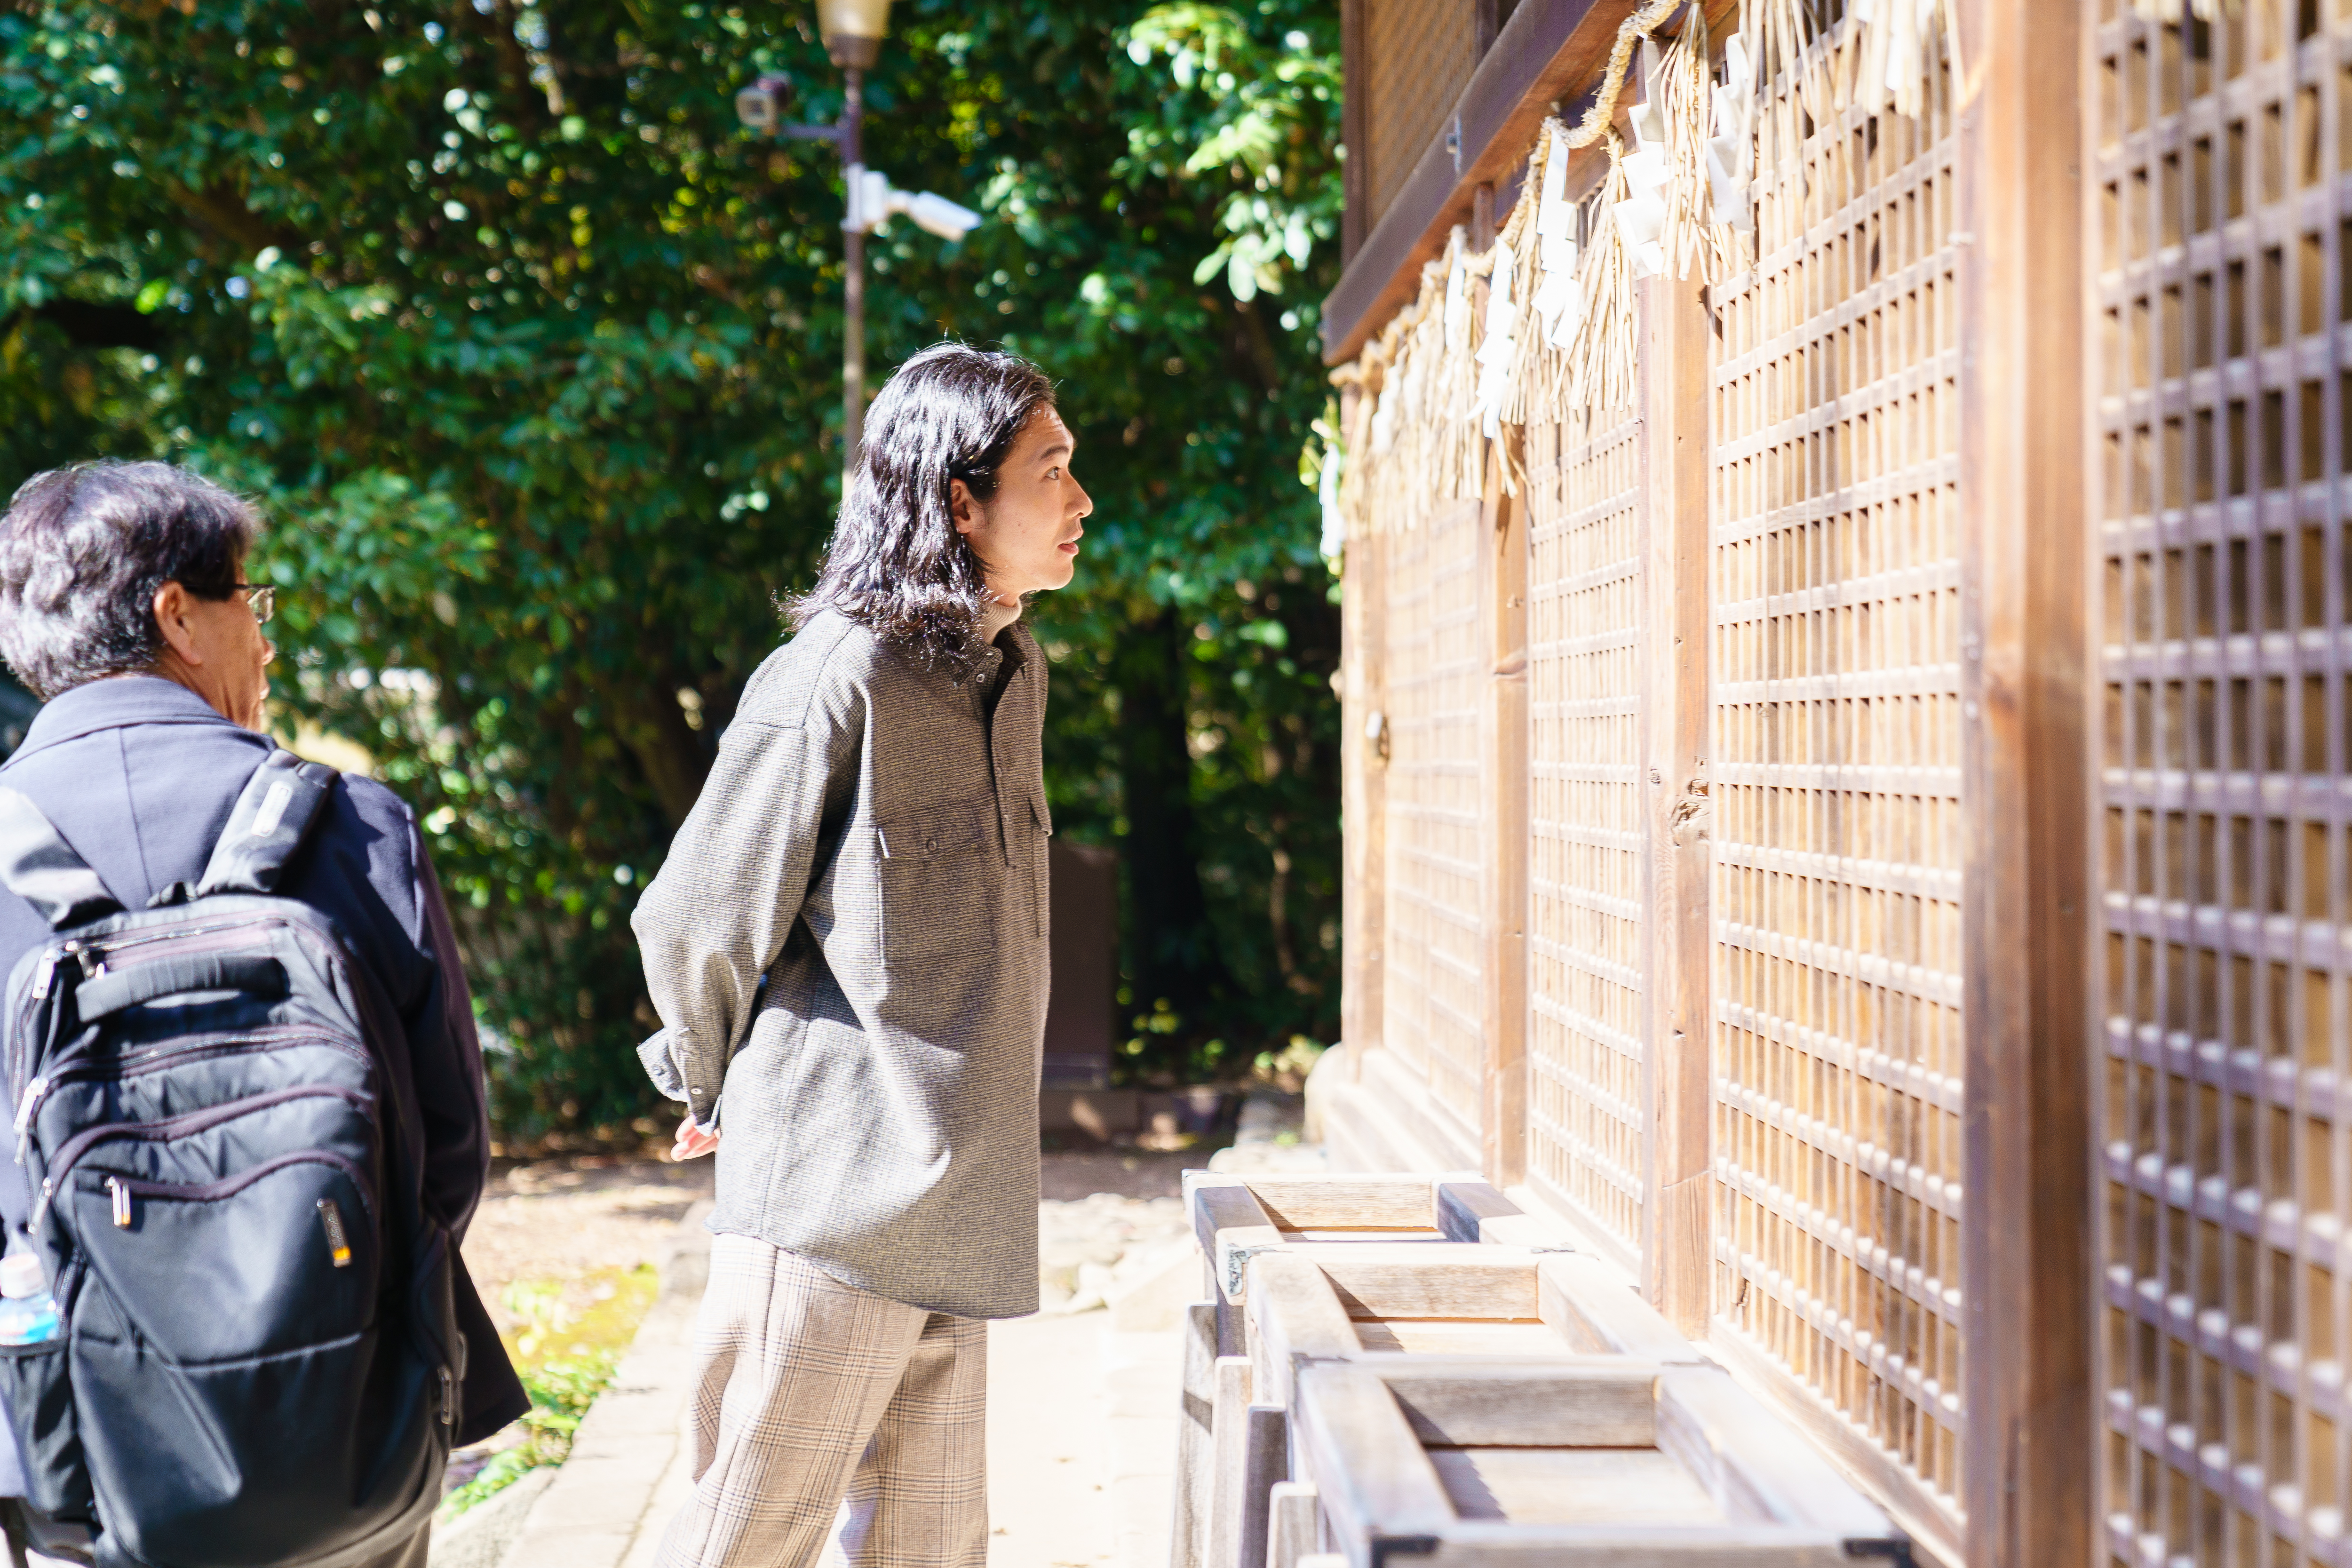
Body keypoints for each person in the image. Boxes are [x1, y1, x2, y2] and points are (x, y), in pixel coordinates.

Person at [0, 460, 527, 1568]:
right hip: (346, 1441)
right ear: (177, 614)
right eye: (254, 598)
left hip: (72, 1458)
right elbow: (449, 1150)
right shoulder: (352, 824)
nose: (267, 638)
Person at [632, 342, 1090, 1568]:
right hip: (834, 1191)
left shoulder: (1014, 665)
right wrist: (699, 1072)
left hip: (966, 1198)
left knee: (932, 1547)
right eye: (1054, 471)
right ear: (960, 499)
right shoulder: (839, 674)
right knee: (743, 1536)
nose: (1083, 501)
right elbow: (696, 909)